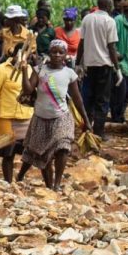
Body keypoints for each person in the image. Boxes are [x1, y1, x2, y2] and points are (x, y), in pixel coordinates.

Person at [18, 40, 88, 189]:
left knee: (63, 147)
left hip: (61, 116)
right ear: (49, 53)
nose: (57, 55)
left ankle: (57, 184)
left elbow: (77, 99)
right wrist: (25, 70)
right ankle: (47, 185)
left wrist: (86, 120)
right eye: (54, 52)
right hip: (41, 118)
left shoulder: (69, 74)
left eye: (60, 52)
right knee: (42, 154)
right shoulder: (40, 70)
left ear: (65, 55)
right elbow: (28, 90)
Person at [0, 42, 34, 185]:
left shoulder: (31, 70)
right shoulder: (1, 70)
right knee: (8, 152)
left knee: (31, 151)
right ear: (15, 53)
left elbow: (31, 92)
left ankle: (20, 176)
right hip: (6, 116)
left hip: (26, 115)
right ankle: (8, 182)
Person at [77, 0, 119, 136]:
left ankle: (87, 129)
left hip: (89, 65)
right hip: (104, 66)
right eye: (112, 5)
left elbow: (81, 43)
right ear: (108, 6)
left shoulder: (87, 19)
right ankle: (99, 132)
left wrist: (78, 63)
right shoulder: (109, 21)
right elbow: (111, 47)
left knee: (88, 98)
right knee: (102, 100)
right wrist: (117, 69)